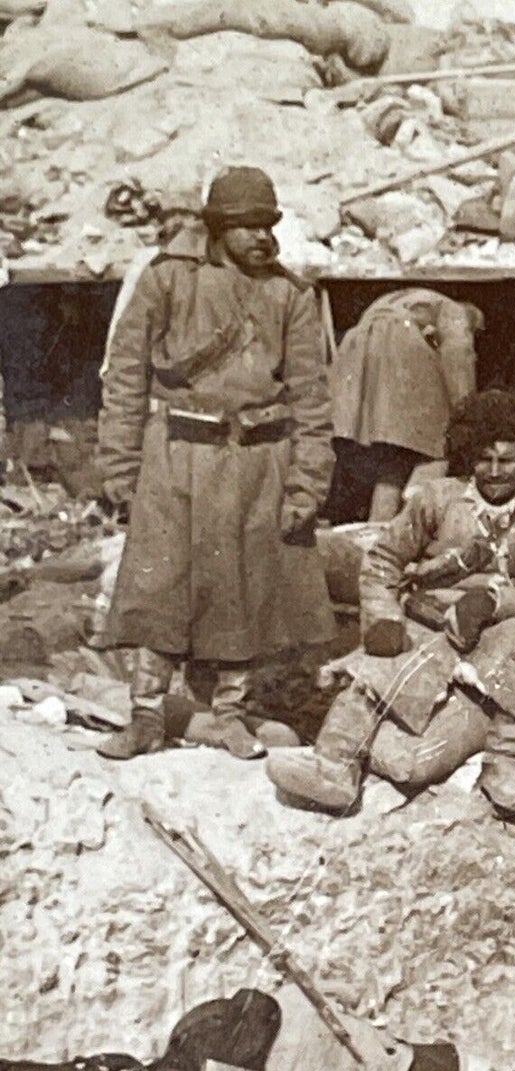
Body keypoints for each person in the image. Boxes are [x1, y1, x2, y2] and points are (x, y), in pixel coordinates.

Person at [95, 166, 335, 762]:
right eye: (246, 226)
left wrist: (307, 483)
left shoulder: (290, 295)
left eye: (268, 225)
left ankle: (230, 717)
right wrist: (121, 466)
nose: (261, 237)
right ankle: (147, 715)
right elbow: (125, 377)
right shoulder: (167, 281)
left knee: (244, 592)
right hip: (176, 457)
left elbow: (311, 397)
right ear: (217, 228)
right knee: (159, 590)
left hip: (259, 462)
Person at [266, 390, 515, 823]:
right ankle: (335, 767)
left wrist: (495, 602)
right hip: (433, 621)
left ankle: (506, 765)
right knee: (375, 672)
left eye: (506, 461)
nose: (493, 472)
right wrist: (382, 618)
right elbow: (383, 560)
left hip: (499, 633)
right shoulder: (437, 499)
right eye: (483, 460)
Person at [328, 289, 484, 524]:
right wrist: (468, 413)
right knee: (439, 445)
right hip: (400, 341)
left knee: (397, 452)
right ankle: (414, 519)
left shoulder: (419, 300)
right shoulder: (456, 312)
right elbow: (458, 357)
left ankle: (380, 524)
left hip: (358, 347)